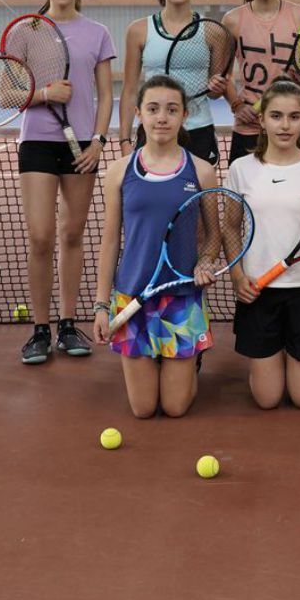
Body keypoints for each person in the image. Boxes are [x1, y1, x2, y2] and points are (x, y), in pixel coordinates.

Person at [94, 76, 223, 418]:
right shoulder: (119, 172)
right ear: (139, 114)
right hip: (132, 298)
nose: (161, 117)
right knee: (143, 409)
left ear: (184, 115)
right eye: (153, 109)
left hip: (181, 298)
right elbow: (109, 242)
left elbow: (213, 235)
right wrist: (100, 305)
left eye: (171, 110)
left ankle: (187, 363)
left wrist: (207, 261)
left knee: (175, 407)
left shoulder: (202, 172)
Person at [16, 0, 115, 365]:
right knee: (41, 236)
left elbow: (106, 95)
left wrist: (99, 141)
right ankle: (40, 329)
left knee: (73, 234)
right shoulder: (25, 31)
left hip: (81, 149)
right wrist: (44, 95)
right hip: (37, 143)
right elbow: (7, 96)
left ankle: (68, 323)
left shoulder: (97, 33)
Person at [226, 80, 300, 409]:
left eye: (293, 116)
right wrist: (237, 277)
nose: (285, 125)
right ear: (261, 120)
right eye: (276, 116)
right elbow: (230, 227)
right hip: (259, 290)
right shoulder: (240, 169)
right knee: (268, 399)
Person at [120, 0, 225, 166]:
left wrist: (218, 87)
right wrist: (124, 140)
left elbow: (214, 93)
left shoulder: (213, 31)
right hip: (153, 129)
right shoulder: (138, 30)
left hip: (199, 130)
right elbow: (130, 90)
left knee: (203, 197)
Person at [222, 0, 300, 163]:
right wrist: (237, 106)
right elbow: (223, 75)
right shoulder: (232, 20)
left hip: (291, 123)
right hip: (249, 125)